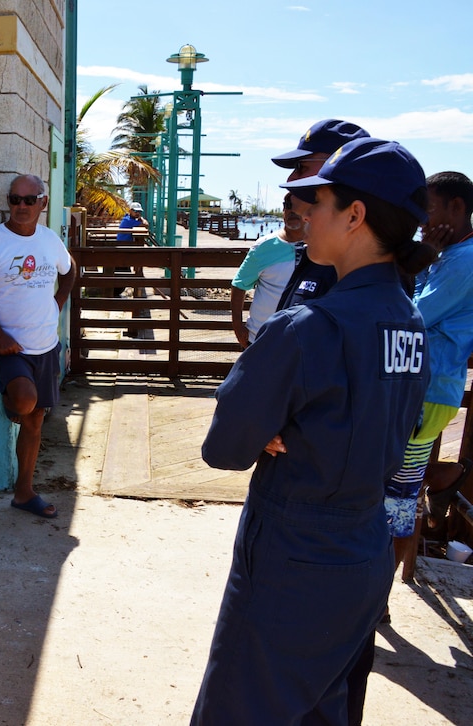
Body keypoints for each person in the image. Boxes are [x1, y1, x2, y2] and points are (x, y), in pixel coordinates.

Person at [191, 137, 437, 724]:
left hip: (292, 554)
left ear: (355, 215)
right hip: (364, 547)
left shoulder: (306, 328)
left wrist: (271, 423)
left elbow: (225, 447)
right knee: (327, 707)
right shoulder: (409, 319)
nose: (304, 215)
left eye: (317, 202)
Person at [0, 174, 77, 519]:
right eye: (15, 199)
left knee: (36, 420)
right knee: (25, 402)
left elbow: (70, 271)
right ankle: (10, 399)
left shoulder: (50, 239)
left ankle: (24, 493)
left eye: (30, 200)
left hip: (46, 344)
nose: (21, 206)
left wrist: (58, 302)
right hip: (10, 347)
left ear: (43, 202)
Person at [386, 171, 473, 572]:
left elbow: (413, 316)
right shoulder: (451, 256)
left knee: (393, 499)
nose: (422, 221)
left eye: (429, 210)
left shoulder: (464, 262)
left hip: (427, 390)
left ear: (457, 208)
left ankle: (375, 596)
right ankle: (441, 477)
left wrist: (420, 262)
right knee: (396, 491)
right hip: (425, 388)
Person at [272, 119, 369, 310]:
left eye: (301, 167)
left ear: (337, 164)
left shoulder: (359, 268)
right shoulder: (318, 251)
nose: (291, 178)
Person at [229, 194, 303, 348]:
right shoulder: (263, 246)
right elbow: (239, 284)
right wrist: (238, 326)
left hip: (303, 342)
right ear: (283, 210)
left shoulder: (321, 246)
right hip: (260, 338)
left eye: (299, 205)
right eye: (288, 206)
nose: (292, 211)